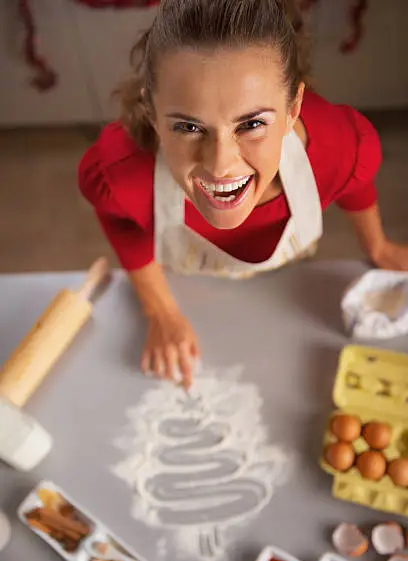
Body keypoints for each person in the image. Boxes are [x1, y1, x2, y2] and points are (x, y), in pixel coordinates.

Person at [79, 0, 408, 388]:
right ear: (152, 114)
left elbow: (354, 181)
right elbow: (118, 218)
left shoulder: (340, 149)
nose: (220, 165)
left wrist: (377, 244)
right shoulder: (122, 175)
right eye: (188, 126)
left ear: (293, 110)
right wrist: (160, 311)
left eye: (251, 123)